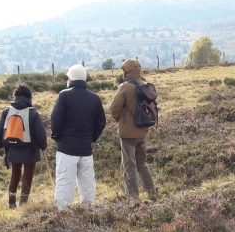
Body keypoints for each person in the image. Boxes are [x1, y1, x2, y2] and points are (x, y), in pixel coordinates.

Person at [51, 63, 106, 208]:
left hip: (66, 149)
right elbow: (101, 122)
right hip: (86, 148)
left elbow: (56, 120)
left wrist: (57, 137)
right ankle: (87, 211)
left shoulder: (64, 95)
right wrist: (92, 137)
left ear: (70, 79)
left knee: (65, 182)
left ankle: (63, 213)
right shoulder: (95, 98)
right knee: (87, 183)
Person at [109, 58, 158, 199]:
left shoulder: (125, 87)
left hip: (128, 134)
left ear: (128, 71)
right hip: (143, 131)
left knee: (129, 166)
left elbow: (114, 108)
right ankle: (151, 192)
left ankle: (134, 198)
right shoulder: (145, 85)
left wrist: (119, 119)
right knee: (142, 164)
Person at [0, 83, 48, 208]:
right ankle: (24, 204)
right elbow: (40, 132)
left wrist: (0, 145)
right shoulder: (33, 113)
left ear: (16, 96)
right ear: (29, 97)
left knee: (15, 174)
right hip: (30, 149)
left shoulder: (7, 111)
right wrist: (43, 146)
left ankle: (12, 202)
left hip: (12, 148)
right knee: (28, 175)